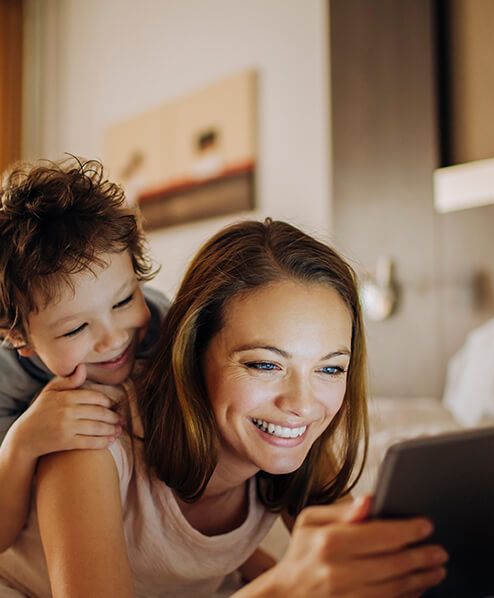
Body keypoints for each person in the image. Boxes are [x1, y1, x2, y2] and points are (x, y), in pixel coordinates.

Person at [0, 219, 449, 597]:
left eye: (330, 370)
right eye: (265, 364)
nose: (301, 404)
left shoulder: (301, 434)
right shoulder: (86, 434)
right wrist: (285, 588)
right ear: (190, 351)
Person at [0, 157, 170, 553]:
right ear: (20, 338)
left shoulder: (165, 324)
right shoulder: (8, 380)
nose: (113, 338)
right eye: (76, 328)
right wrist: (22, 444)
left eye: (125, 299)